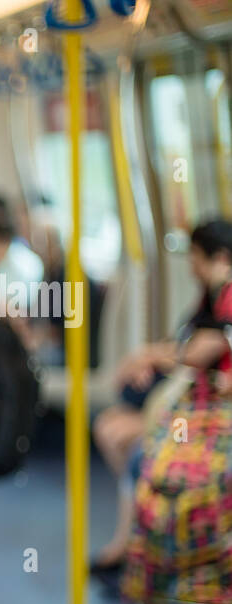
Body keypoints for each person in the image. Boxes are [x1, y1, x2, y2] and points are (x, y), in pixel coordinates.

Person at [90, 218, 232, 582]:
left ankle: (137, 543)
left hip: (209, 413)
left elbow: (200, 352)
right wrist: (151, 359)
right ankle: (136, 537)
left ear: (218, 258)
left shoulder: (227, 298)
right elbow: (186, 345)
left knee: (136, 449)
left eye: (196, 257)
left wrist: (151, 357)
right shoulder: (208, 298)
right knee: (110, 428)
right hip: (191, 404)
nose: (191, 267)